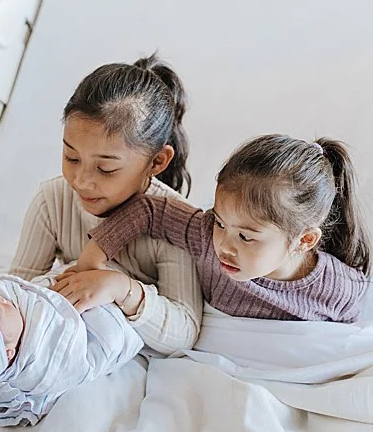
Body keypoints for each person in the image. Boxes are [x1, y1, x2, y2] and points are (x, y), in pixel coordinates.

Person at [17, 56, 205, 354]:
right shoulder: (52, 200)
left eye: (105, 169)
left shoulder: (175, 223)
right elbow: (18, 286)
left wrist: (121, 289)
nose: (81, 181)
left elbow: (184, 331)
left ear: (157, 161)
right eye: (71, 158)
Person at [78, 135, 370, 323]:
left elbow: (345, 349)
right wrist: (92, 260)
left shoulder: (342, 289)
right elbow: (150, 209)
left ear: (304, 240)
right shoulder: (205, 235)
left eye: (246, 236)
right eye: (220, 222)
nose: (224, 246)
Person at [0, 274, 143, 426]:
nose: (1, 299)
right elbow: (70, 363)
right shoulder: (39, 363)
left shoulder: (10, 305)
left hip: (94, 283)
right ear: (8, 353)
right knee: (110, 333)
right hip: (95, 321)